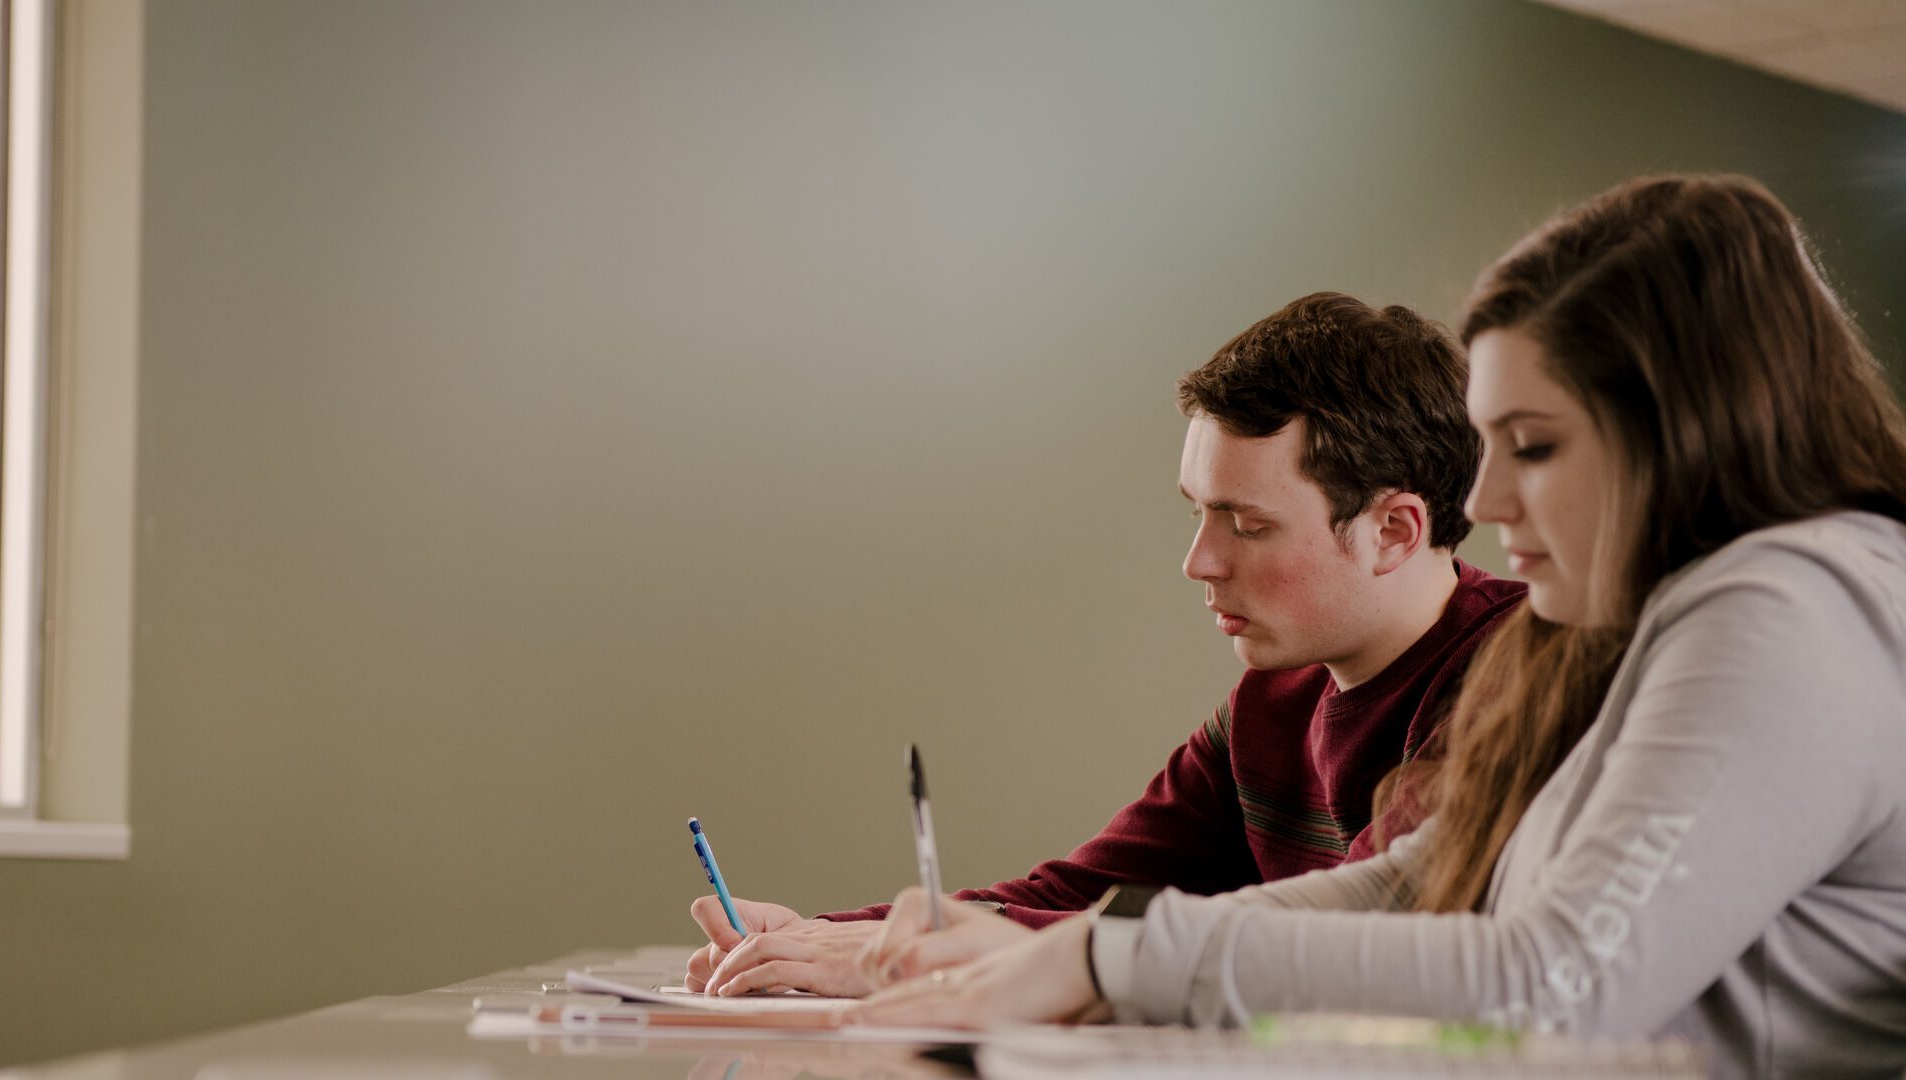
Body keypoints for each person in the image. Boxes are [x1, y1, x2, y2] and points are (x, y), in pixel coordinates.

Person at [849, 174, 1906, 1079]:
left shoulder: (1787, 608)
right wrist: (1087, 954)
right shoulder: (1668, 620)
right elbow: (1426, 880)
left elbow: (1549, 983)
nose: (1484, 499)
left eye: (1532, 446)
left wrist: (1108, 964)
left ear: (1682, 433)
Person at [688, 293, 1527, 998]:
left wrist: (933, 960)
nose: (1199, 561)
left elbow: (1359, 934)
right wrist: (821, 943)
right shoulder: (1271, 705)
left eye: (1247, 524)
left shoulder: (1521, 681)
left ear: (1394, 530)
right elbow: (1082, 895)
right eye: (1197, 512)